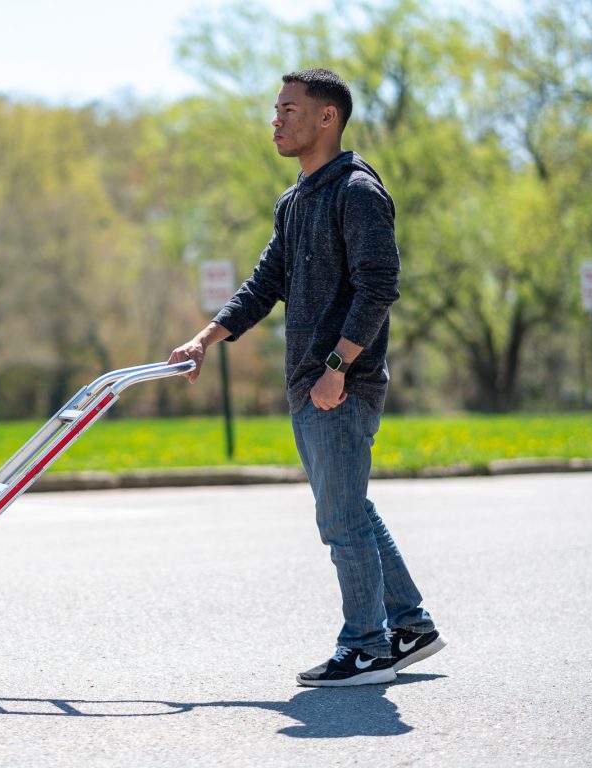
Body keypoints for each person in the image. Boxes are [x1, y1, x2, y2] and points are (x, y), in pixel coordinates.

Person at [169, 68, 446, 687]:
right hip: (311, 381)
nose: (277, 119)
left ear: (328, 118)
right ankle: (410, 625)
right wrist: (208, 337)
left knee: (341, 520)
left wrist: (337, 366)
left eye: (290, 109)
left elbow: (380, 286)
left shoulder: (358, 192)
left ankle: (368, 648)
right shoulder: (294, 201)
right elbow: (267, 282)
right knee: (349, 510)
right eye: (276, 109)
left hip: (341, 383)